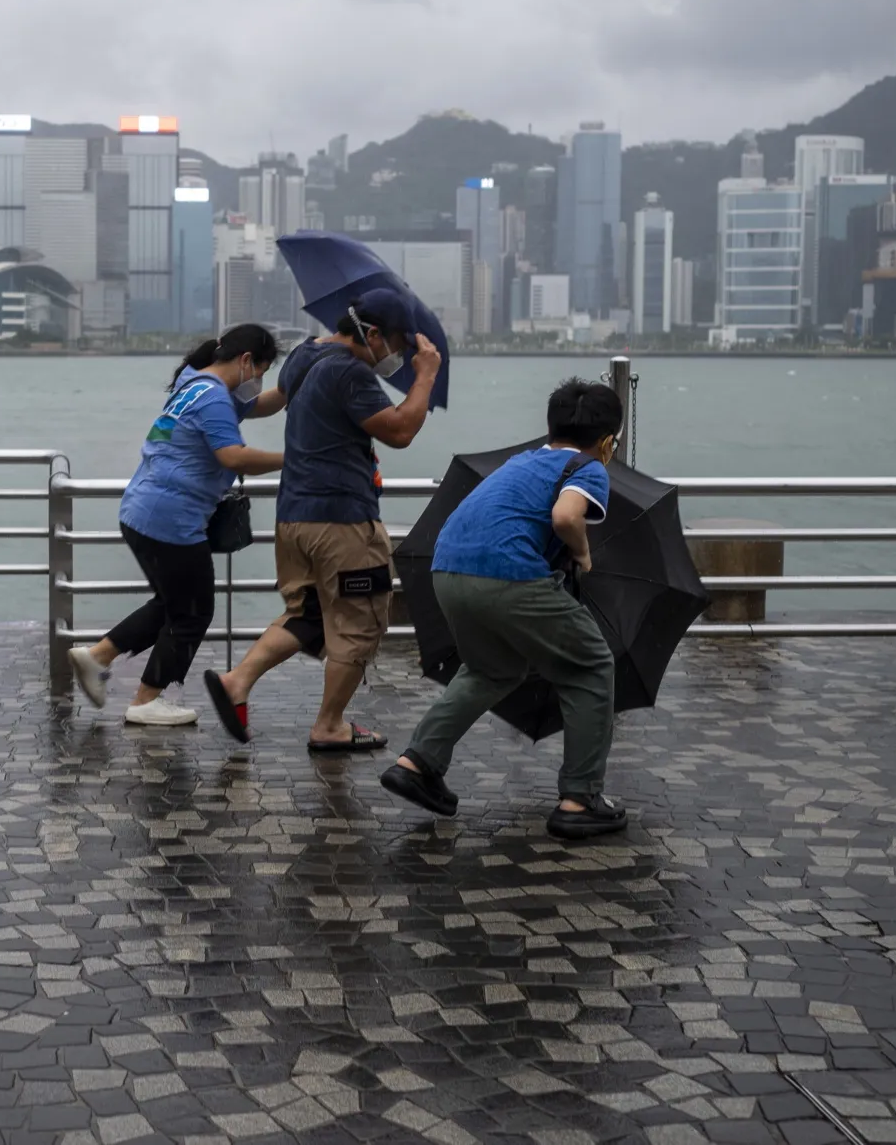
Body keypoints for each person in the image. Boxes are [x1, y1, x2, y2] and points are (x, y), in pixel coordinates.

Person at [378, 378, 628, 839]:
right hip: (507, 573)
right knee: (591, 664)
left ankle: (417, 762)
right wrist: (584, 552)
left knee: (491, 669)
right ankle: (580, 798)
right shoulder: (588, 467)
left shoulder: (524, 461)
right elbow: (566, 517)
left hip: (448, 568)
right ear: (608, 440)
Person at [201, 288, 440, 751]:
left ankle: (237, 682)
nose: (399, 355)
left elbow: (278, 400)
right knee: (361, 621)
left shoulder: (305, 354)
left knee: (308, 614)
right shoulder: (350, 373)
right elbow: (400, 431)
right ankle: (330, 725)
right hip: (342, 521)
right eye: (396, 343)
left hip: (294, 519)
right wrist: (425, 376)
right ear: (371, 334)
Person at [69, 324, 286, 725]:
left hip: (142, 511)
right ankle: (147, 700)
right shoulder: (214, 400)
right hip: (172, 519)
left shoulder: (195, 384)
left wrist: (293, 384)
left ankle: (97, 657)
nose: (260, 382)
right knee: (193, 612)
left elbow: (261, 405)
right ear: (244, 362)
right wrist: (293, 460)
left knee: (171, 604)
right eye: (261, 373)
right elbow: (234, 457)